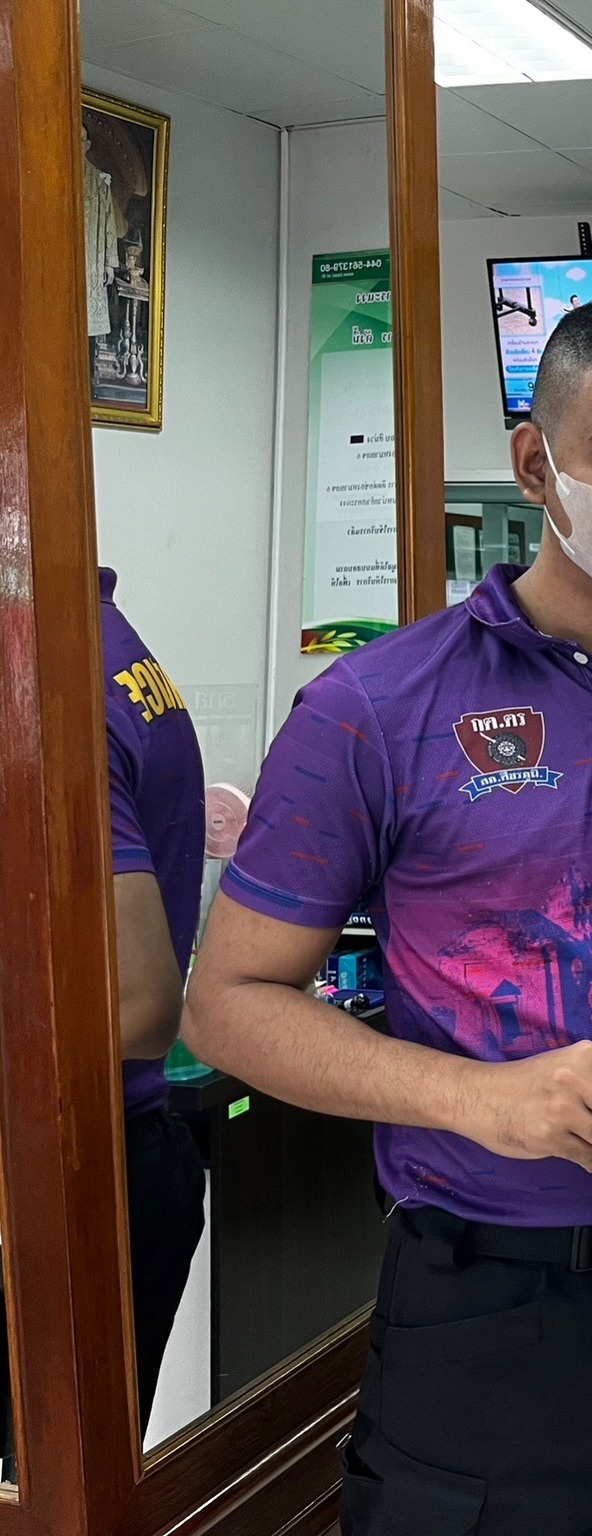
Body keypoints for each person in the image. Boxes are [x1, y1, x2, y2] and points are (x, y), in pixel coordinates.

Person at [185, 295, 592, 1536]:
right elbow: (228, 1005)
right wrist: (476, 1098)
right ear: (537, 464)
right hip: (488, 1301)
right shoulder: (376, 707)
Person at [103, 569, 209, 1425]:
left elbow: (139, 1004)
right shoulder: (110, 649)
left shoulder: (48, 683)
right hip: (128, 1158)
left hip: (74, 1171)